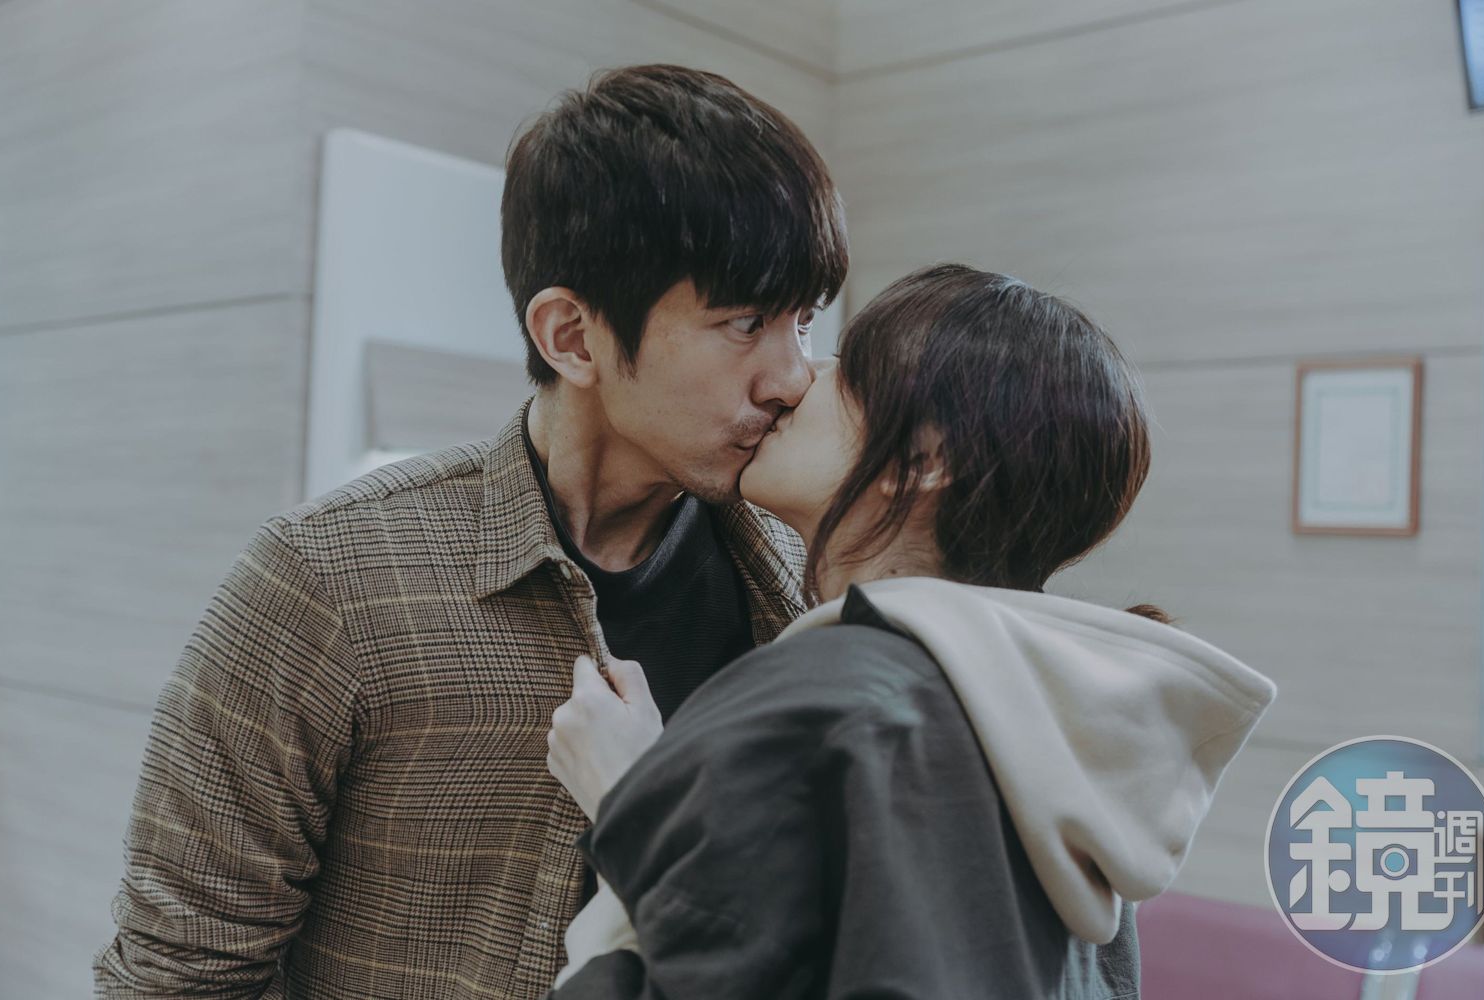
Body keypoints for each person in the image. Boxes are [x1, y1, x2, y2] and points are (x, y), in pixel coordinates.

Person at [93, 64, 847, 1000]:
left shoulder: (803, 583)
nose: (793, 377)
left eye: (803, 323)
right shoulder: (327, 580)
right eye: (746, 321)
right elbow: (181, 976)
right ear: (572, 337)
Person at [543, 264, 1279, 998]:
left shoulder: (831, 702)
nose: (796, 382)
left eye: (842, 366)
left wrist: (635, 799)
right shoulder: (1058, 734)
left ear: (920, 462)